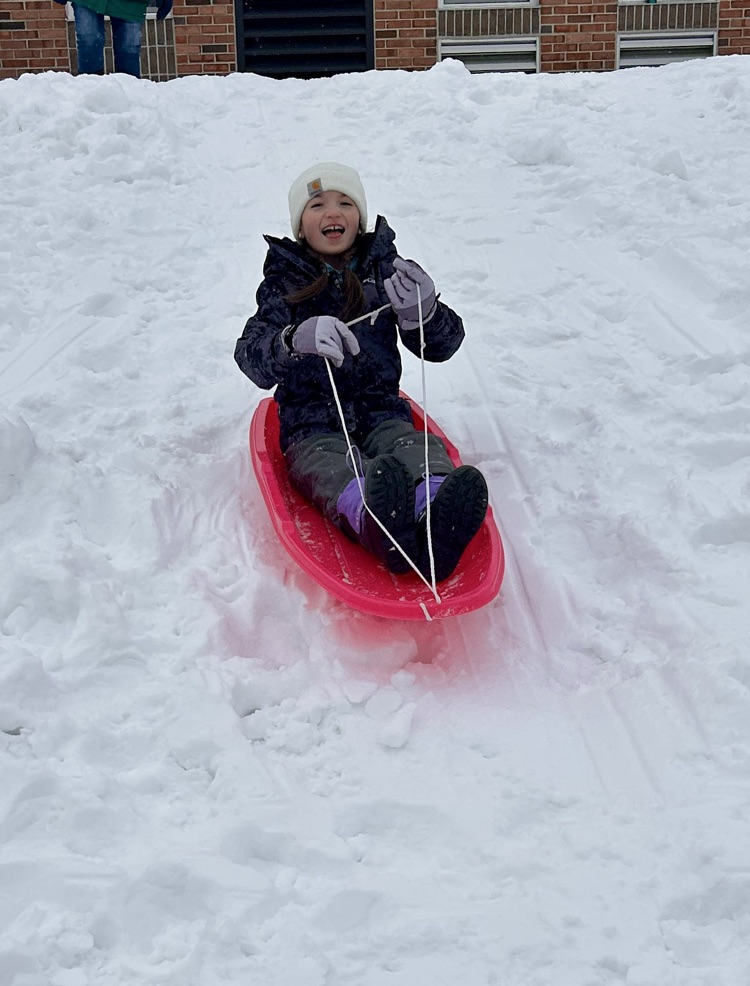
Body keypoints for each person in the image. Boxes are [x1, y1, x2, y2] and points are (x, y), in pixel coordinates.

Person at [234, 162, 488, 583]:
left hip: (382, 409)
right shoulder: (285, 282)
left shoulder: (388, 271)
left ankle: (436, 518)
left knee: (411, 446)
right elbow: (251, 356)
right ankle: (375, 520)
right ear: (300, 225)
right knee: (329, 466)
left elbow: (442, 346)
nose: (332, 213)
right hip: (311, 422)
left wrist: (424, 314)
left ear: (360, 218)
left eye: (345, 202)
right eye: (317, 205)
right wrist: (293, 338)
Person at [54, 0, 173, 78]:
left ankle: (129, 99)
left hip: (131, 3)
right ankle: (90, 94)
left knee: (128, 47)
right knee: (89, 39)